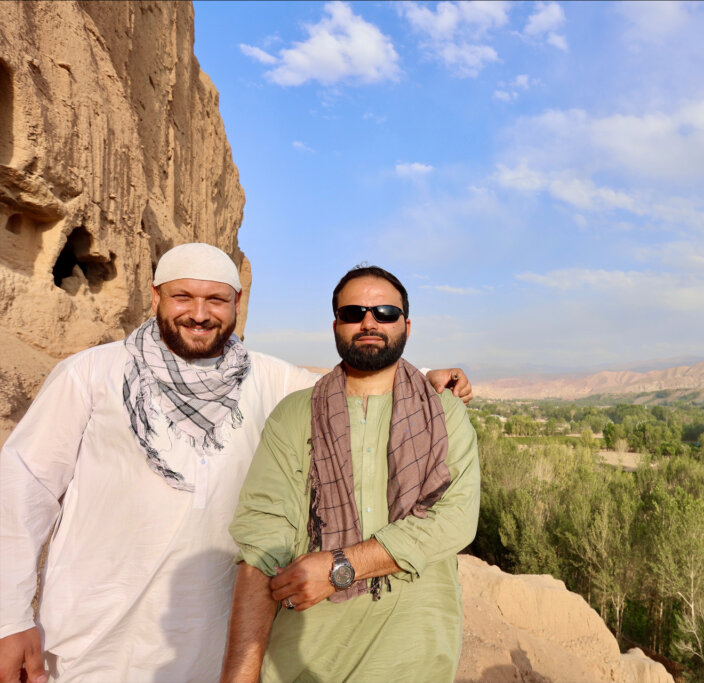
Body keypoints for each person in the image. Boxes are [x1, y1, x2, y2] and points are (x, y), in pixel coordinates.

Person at [0, 244, 471, 683]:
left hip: (214, 635)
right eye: (183, 296)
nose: (199, 313)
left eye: (216, 300)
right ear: (155, 296)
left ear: (237, 303)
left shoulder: (268, 378)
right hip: (94, 634)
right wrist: (10, 617)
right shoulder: (91, 375)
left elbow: (361, 380)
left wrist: (426, 376)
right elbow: (24, 488)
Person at [221, 265, 479, 683]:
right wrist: (239, 675)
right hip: (304, 662)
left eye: (385, 313)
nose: (369, 322)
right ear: (336, 324)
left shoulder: (444, 413)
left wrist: (340, 567)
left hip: (416, 663)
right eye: (354, 312)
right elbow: (263, 543)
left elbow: (455, 520)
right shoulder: (295, 415)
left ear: (407, 326)